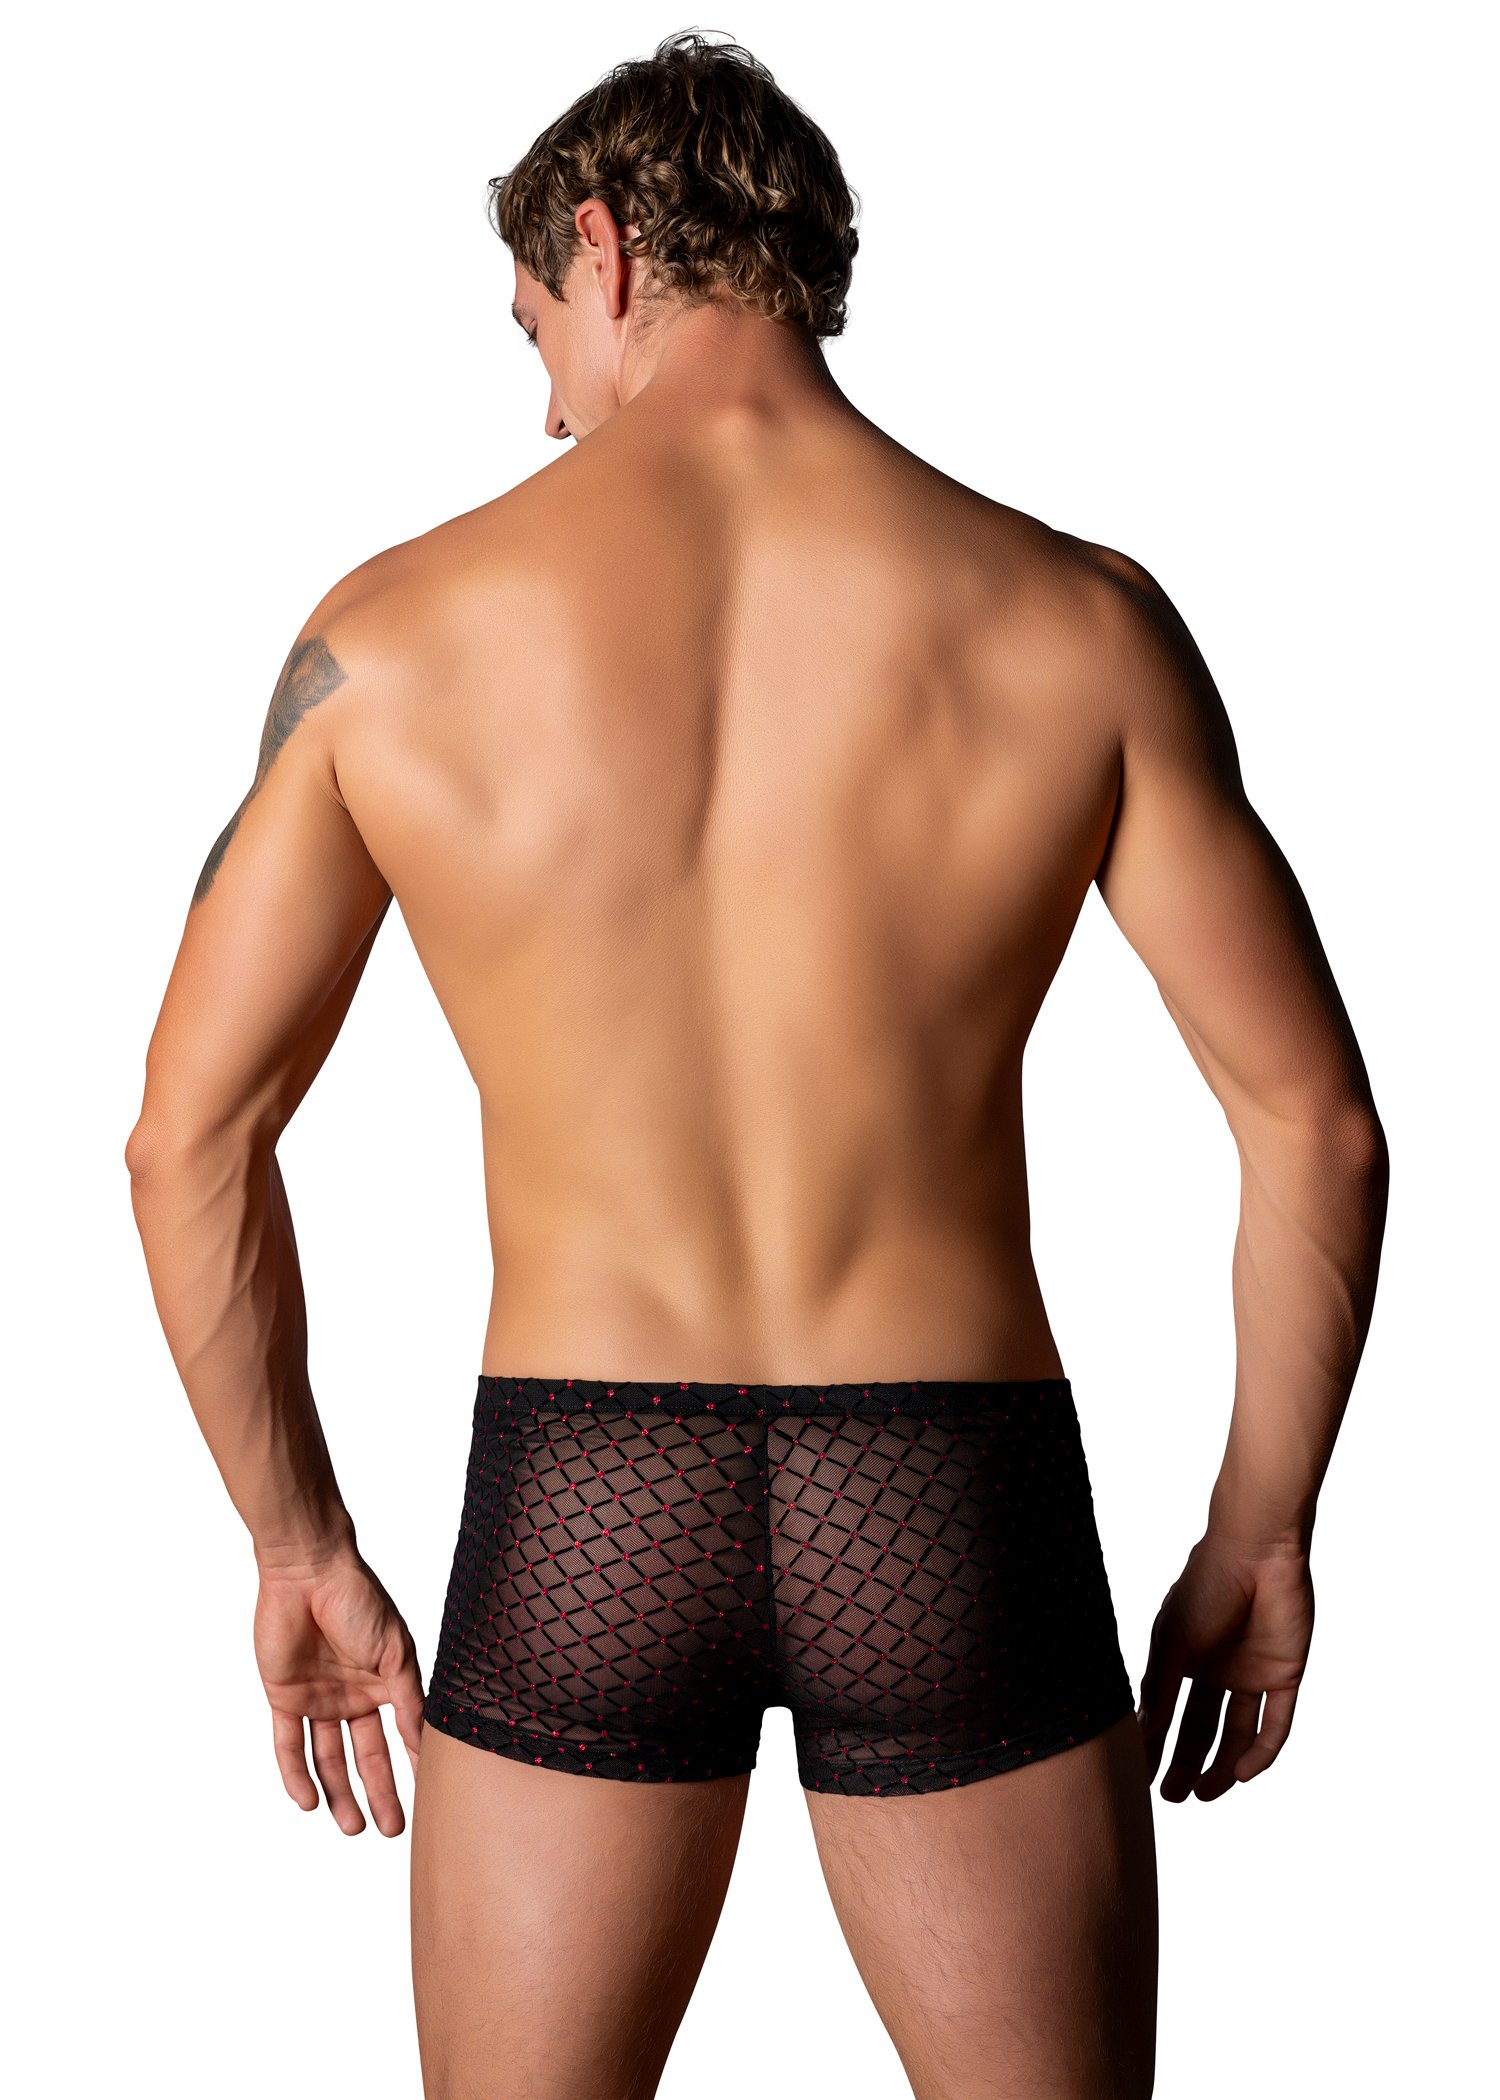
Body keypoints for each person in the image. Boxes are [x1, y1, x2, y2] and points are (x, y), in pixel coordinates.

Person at [125, 29, 1388, 2100]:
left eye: (533, 327)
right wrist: (1261, 1535)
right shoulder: (1079, 621)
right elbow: (1314, 1126)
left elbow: (189, 1135)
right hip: (950, 1488)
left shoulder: (396, 636)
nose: (544, 402)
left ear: (605, 250)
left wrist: (296, 1543)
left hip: (589, 1490)